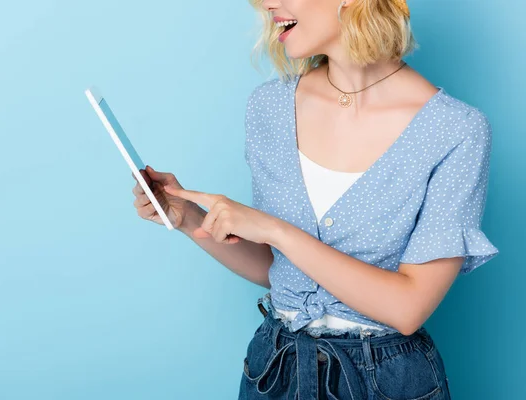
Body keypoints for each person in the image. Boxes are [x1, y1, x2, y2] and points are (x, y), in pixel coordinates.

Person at [131, 0, 500, 398]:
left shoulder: (455, 130)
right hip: (273, 368)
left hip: (384, 380)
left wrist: (277, 231)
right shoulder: (269, 106)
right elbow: (278, 270)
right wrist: (187, 217)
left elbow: (408, 309)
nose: (267, 4)